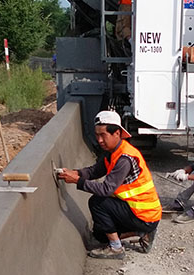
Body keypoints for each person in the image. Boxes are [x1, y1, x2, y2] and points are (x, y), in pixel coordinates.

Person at [58, 111, 161, 259]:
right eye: (97, 135)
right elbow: (95, 171)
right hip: (140, 212)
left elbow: (106, 189)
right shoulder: (112, 152)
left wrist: (77, 181)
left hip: (144, 215)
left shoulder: (124, 159)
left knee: (97, 202)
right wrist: (76, 173)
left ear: (117, 133)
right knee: (100, 235)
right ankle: (142, 233)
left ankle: (116, 248)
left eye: (103, 135)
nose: (99, 140)